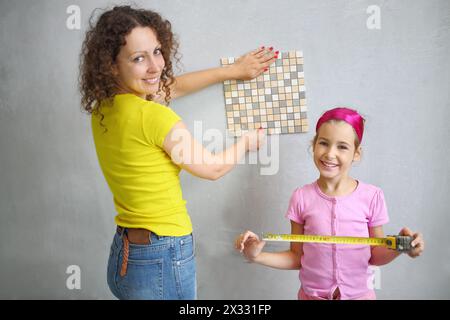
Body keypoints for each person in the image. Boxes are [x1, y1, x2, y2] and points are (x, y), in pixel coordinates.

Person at [79, 5, 277, 300]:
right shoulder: (154, 118)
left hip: (125, 256)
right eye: (138, 58)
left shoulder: (104, 108)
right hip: (161, 255)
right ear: (111, 65)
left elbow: (171, 87)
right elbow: (211, 169)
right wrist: (246, 143)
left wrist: (233, 71)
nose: (155, 66)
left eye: (156, 51)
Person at [235, 107, 425, 300]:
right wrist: (256, 256)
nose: (330, 154)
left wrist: (401, 247)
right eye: (324, 143)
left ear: (356, 153)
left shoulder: (372, 196)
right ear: (314, 145)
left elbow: (375, 254)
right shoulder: (301, 197)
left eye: (342, 147)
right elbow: (296, 256)